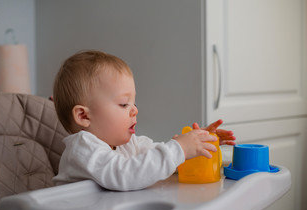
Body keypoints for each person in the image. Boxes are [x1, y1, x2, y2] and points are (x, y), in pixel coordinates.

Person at [52, 50, 236, 191]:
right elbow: (124, 174)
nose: (135, 110)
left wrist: (196, 144)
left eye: (134, 102)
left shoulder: (128, 144)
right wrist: (179, 148)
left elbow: (156, 162)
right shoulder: (82, 148)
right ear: (84, 116)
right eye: (124, 104)